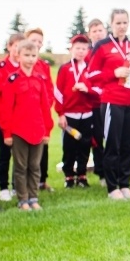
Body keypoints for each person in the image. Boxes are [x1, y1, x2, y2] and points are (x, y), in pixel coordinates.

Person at [86, 8, 130, 200]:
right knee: (113, 144)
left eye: (125, 23)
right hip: (113, 101)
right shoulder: (102, 46)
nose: (122, 26)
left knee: (129, 144)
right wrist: (114, 73)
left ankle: (125, 184)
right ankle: (113, 187)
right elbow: (92, 75)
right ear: (111, 24)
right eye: (118, 23)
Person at [0, 40, 53, 211]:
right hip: (19, 131)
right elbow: (6, 108)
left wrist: (47, 130)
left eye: (33, 55)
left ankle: (33, 197)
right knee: (21, 167)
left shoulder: (40, 79)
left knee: (35, 166)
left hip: (37, 130)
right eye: (26, 55)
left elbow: (45, 107)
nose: (30, 59)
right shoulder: (13, 80)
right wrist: (7, 133)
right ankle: (23, 199)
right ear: (18, 55)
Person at [55, 34, 94, 188]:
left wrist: (87, 89)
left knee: (85, 146)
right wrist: (61, 114)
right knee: (69, 147)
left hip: (87, 114)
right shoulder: (64, 69)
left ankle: (82, 176)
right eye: (77, 48)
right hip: (70, 115)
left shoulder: (90, 68)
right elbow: (58, 93)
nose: (80, 51)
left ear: (87, 50)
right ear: (71, 49)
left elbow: (96, 89)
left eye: (84, 48)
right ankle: (69, 176)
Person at [0, 32, 25, 201]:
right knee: (4, 154)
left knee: (20, 156)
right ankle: (3, 187)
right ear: (9, 47)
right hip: (4, 120)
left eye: (21, 47)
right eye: (15, 46)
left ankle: (16, 186)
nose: (18, 50)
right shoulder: (2, 66)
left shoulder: (25, 67)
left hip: (21, 121)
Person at [24, 28, 56, 191]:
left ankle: (42, 181)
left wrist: (45, 106)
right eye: (33, 40)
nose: (36, 44)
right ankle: (21, 185)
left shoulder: (44, 66)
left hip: (41, 116)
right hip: (24, 117)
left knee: (43, 147)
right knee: (23, 152)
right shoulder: (23, 65)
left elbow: (49, 89)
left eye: (39, 42)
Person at [87, 18, 107, 185]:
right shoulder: (86, 54)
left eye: (100, 30)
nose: (98, 33)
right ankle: (101, 172)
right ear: (89, 35)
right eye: (94, 31)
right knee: (97, 139)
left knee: (113, 138)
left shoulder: (109, 50)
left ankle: (114, 170)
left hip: (112, 101)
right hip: (94, 103)